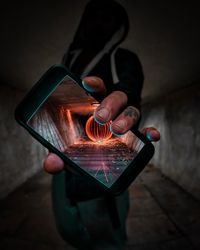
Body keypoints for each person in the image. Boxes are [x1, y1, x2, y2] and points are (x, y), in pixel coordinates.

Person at [44, 0, 160, 249]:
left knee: (106, 234)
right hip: (63, 157)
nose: (98, 22)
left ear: (117, 26)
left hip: (101, 162)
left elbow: (130, 94)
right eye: (94, 15)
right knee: (68, 228)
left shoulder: (123, 58)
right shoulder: (69, 58)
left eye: (107, 17)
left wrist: (125, 106)